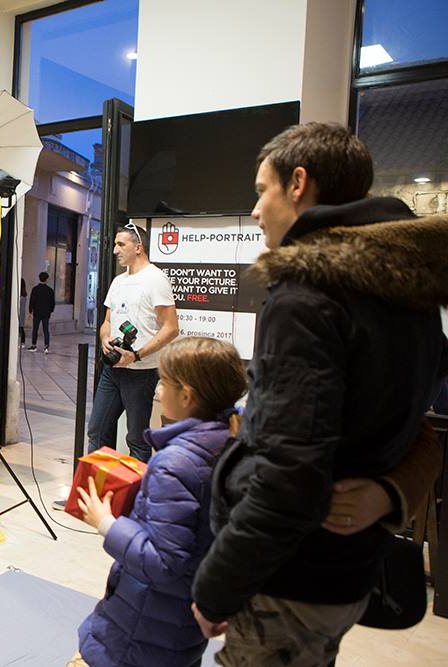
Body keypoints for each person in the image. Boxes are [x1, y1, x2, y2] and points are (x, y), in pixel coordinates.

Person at [190, 122, 448, 666]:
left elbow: (288, 476)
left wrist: (215, 587)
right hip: (347, 569)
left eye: (262, 190)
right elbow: (407, 418)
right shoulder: (409, 290)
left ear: (298, 183)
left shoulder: (307, 297)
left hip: (293, 576)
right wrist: (391, 490)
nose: (256, 211)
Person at [72, 337, 246, 667]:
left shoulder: (176, 463)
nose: (158, 390)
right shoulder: (230, 442)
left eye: (164, 382)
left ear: (187, 395)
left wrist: (106, 523)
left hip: (143, 627)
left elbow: (163, 563)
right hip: (178, 624)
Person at [86, 224, 179, 462]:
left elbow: (171, 328)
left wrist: (136, 355)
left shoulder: (156, 279)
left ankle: (136, 486)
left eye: (121, 244)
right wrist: (105, 338)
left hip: (141, 372)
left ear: (138, 248)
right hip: (112, 370)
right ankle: (98, 483)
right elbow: (107, 321)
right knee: (97, 431)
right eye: (115, 244)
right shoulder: (118, 281)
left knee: (137, 439)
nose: (115, 250)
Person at [27, 272, 55, 353]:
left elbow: (32, 301)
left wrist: (30, 311)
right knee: (46, 330)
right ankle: (46, 347)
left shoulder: (35, 289)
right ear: (46, 279)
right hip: (46, 313)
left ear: (39, 278)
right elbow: (52, 302)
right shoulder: (50, 290)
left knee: (35, 329)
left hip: (37, 312)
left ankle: (34, 345)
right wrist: (51, 310)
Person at [18, 277, 27, 348]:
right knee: (21, 328)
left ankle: (22, 342)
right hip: (22, 313)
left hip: (20, 313)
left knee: (20, 328)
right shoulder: (24, 295)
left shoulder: (21, 296)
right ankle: (22, 342)